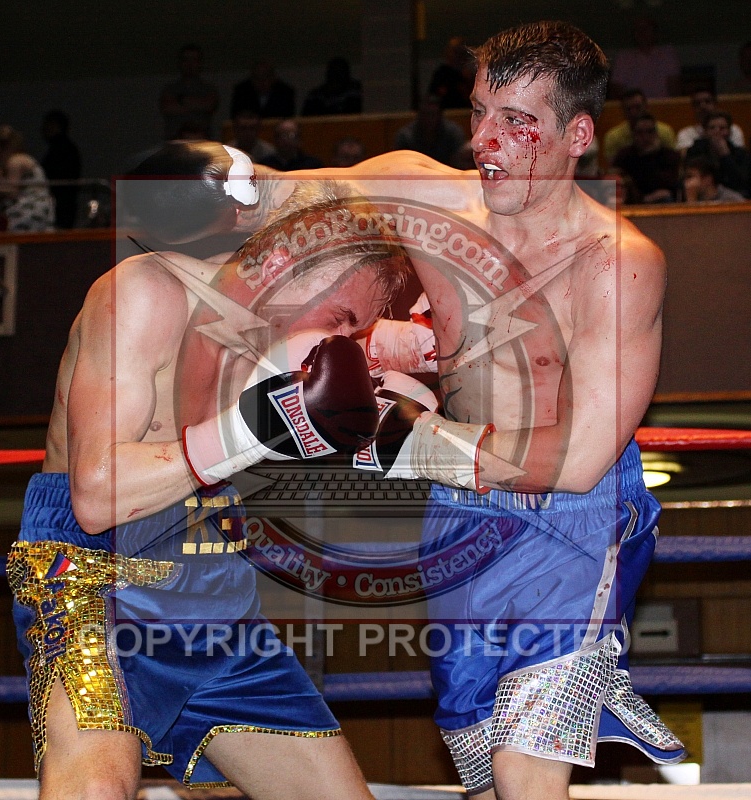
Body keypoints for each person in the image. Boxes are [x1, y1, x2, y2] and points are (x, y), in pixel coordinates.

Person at [136, 22, 686, 798]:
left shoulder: (615, 264)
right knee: (484, 767)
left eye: (516, 122)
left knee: (525, 768)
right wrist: (225, 179)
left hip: (572, 521)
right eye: (479, 112)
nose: (484, 141)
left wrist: (405, 437)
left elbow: (580, 459)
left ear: (578, 135)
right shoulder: (430, 197)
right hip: (459, 513)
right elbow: (291, 194)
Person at [8, 141, 412, 800]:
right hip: (91, 578)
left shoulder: (281, 351)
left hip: (212, 589)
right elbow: (96, 495)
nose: (338, 342)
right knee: (97, 788)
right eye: (340, 319)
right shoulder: (146, 293)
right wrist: (251, 431)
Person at [0, 124, 54, 232]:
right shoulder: (22, 159)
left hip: (29, 210)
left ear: (3, 149)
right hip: (40, 208)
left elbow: (11, 192)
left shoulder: (15, 161)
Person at [611, 113, 682, 203]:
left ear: (656, 133)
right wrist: (643, 198)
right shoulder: (624, 156)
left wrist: (651, 156)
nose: (645, 137)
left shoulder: (669, 156)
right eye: (640, 132)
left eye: (649, 132)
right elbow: (621, 183)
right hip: (633, 201)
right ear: (633, 134)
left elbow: (671, 183)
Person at [609, 14, 681, 99]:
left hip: (662, 105)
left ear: (655, 32)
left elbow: (674, 87)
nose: (642, 32)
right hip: (634, 105)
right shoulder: (623, 58)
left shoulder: (667, 54)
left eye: (646, 28)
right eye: (638, 29)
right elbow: (617, 88)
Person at [159, 44, 220, 140]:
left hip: (202, 141)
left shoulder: (209, 89)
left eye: (194, 60)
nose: (190, 64)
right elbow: (168, 107)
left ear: (200, 63)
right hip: (175, 141)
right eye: (186, 60)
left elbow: (208, 105)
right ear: (180, 63)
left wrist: (180, 101)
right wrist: (196, 105)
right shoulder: (169, 89)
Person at [685, 110, 751, 197]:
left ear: (729, 131)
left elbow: (741, 182)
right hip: (701, 194)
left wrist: (725, 155)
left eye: (722, 128)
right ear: (705, 131)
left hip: (734, 196)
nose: (717, 132)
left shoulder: (741, 154)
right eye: (712, 128)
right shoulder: (695, 151)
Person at [602, 88, 676, 166]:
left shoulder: (665, 132)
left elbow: (672, 162)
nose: (633, 112)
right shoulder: (613, 137)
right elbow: (613, 168)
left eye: (637, 107)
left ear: (646, 107)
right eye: (629, 109)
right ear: (623, 110)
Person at [393, 94, 467, 167]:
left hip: (447, 172)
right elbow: (400, 164)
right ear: (419, 115)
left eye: (432, 114)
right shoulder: (406, 136)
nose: (428, 119)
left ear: (439, 115)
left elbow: (460, 163)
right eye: (425, 114)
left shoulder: (453, 133)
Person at [40, 109, 82, 229]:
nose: (43, 129)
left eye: (48, 124)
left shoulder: (62, 149)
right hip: (64, 202)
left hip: (61, 203)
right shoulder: (66, 148)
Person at [676, 88, 746, 156]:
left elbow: (740, 156)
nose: (703, 106)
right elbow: (684, 157)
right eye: (698, 103)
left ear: (715, 104)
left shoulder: (734, 129)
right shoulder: (685, 133)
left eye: (707, 101)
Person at [230, 60, 296, 119]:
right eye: (257, 78)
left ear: (273, 78)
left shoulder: (285, 92)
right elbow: (236, 117)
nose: (261, 82)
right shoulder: (242, 91)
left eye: (265, 77)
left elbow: (288, 118)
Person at [428, 35, 476, 110]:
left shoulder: (470, 75)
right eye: (455, 52)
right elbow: (433, 97)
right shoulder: (441, 74)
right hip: (447, 113)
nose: (458, 55)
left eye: (461, 52)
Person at [682, 155, 747, 202]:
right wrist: (691, 200)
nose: (686, 183)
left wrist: (692, 201)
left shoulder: (731, 199)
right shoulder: (692, 197)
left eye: (690, 177)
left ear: (707, 179)